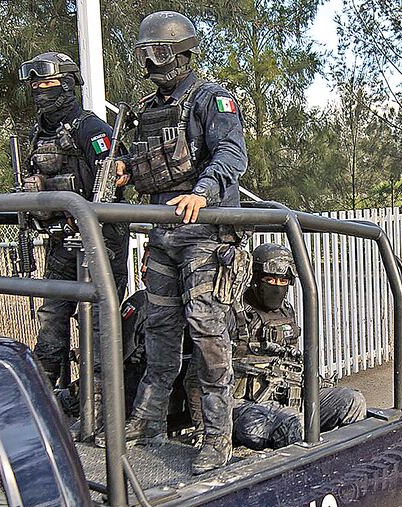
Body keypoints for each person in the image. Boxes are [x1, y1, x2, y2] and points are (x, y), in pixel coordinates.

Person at [114, 11, 250, 474]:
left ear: (181, 53)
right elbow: (149, 163)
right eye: (146, 52)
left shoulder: (211, 100)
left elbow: (232, 153)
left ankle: (216, 437)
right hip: (163, 236)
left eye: (159, 51)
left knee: (208, 334)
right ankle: (147, 421)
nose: (151, 60)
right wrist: (127, 171)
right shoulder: (147, 108)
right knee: (158, 334)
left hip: (204, 237)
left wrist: (203, 192)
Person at [18, 52, 129, 389]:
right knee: (51, 318)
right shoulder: (39, 136)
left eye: (49, 84)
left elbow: (113, 181)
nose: (41, 91)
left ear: (67, 85)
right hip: (61, 242)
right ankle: (45, 392)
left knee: (98, 324)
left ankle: (98, 398)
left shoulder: (91, 128)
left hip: (101, 242)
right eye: (36, 85)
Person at [231, 244, 366, 450]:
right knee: (293, 425)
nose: (277, 286)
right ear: (256, 279)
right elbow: (205, 370)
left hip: (288, 395)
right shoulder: (235, 313)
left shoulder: (286, 311)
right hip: (246, 406)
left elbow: (292, 358)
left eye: (283, 281)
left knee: (352, 401)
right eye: (270, 280)